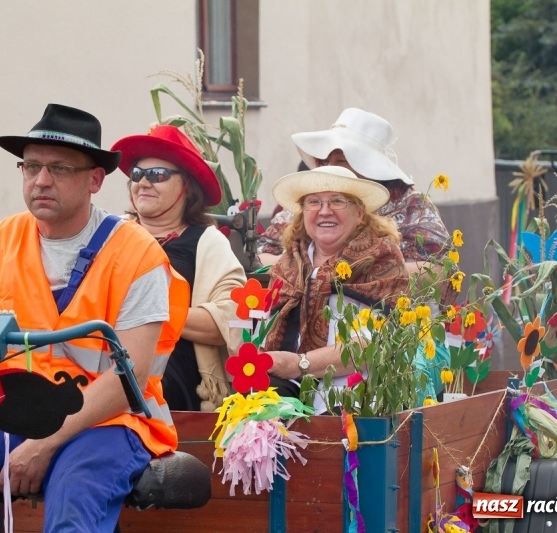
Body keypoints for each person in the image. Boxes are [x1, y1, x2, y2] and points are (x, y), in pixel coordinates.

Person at [0, 104, 189, 532]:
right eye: (31, 167)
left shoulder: (138, 254)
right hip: (15, 417)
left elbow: (132, 377)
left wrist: (45, 443)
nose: (41, 180)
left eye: (60, 169)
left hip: (111, 422)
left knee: (71, 506)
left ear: (95, 180)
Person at [111, 125, 246, 411]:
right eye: (137, 174)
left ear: (187, 186)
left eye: (157, 175)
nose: (143, 182)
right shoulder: (112, 233)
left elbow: (230, 323)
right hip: (104, 358)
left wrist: (143, 312)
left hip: (173, 377)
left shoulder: (207, 242)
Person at [262, 166, 410, 410]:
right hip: (289, 386)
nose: (324, 211)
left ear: (360, 213)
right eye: (313, 202)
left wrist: (301, 364)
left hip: (358, 391)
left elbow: (372, 345)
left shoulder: (382, 259)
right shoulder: (290, 262)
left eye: (337, 201)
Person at [257, 108, 452, 281]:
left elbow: (439, 271)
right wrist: (308, 270)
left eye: (340, 161)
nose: (329, 168)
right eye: (324, 161)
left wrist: (362, 272)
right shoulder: (311, 201)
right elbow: (261, 255)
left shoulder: (411, 205)